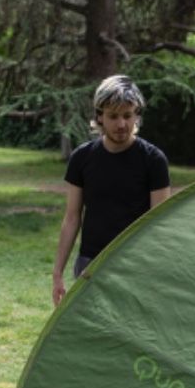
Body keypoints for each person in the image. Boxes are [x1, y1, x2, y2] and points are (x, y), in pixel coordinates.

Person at [52, 75, 171, 305]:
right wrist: (57, 272)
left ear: (137, 115)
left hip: (136, 265)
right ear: (99, 117)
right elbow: (72, 218)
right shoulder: (82, 158)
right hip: (90, 264)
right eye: (113, 116)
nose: (121, 124)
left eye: (128, 115)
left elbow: (160, 224)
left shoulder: (153, 160)